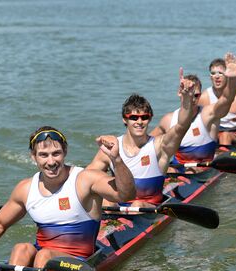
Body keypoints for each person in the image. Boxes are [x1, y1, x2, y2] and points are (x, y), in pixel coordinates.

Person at [0, 127, 136, 271]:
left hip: (80, 262)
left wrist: (116, 159)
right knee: (21, 248)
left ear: (65, 152)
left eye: (56, 153)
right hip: (43, 260)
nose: (51, 162)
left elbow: (126, 195)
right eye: (43, 155)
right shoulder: (25, 188)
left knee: (44, 255)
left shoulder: (85, 179)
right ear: (33, 157)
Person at [86, 68, 201, 208]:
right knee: (100, 201)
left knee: (137, 203)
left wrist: (187, 100)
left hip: (148, 207)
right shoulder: (111, 147)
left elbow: (182, 125)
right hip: (119, 205)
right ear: (124, 120)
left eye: (144, 117)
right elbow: (86, 178)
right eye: (134, 117)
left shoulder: (160, 146)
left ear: (150, 118)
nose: (139, 122)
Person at [150, 53, 236, 171]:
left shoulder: (208, 114)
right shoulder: (168, 119)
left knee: (192, 171)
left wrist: (232, 79)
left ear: (200, 96)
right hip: (176, 169)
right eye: (188, 94)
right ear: (179, 92)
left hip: (202, 169)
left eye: (195, 95)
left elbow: (227, 99)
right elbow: (146, 143)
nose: (191, 99)